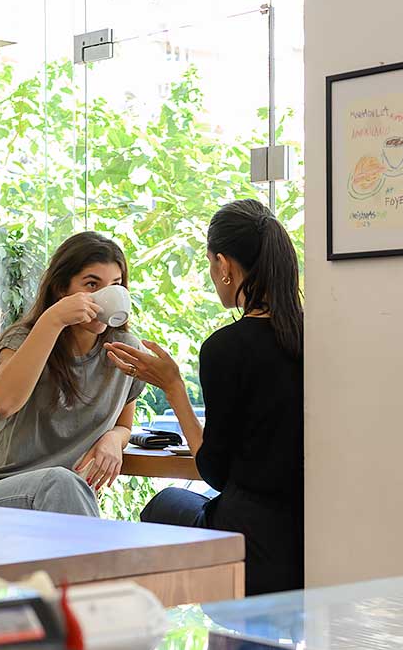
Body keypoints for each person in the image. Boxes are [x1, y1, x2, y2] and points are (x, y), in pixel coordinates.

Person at [105, 198, 303, 596]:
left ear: (225, 265)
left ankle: (179, 635)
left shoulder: (226, 348)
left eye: (212, 264)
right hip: (306, 536)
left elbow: (214, 470)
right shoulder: (313, 335)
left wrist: (174, 387)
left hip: (249, 537)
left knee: (161, 506)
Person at [0, 233, 142, 515]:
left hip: (60, 502)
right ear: (61, 289)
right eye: (92, 284)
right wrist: (53, 319)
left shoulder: (125, 349)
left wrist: (114, 439)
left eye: (115, 285)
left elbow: (124, 425)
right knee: (59, 480)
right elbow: (4, 402)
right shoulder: (24, 339)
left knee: (63, 483)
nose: (105, 296)